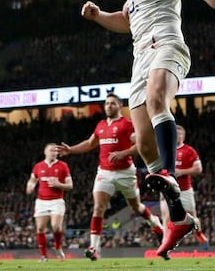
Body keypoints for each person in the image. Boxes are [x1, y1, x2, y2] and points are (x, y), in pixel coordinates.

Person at [81, 0, 215, 259]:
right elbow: (127, 22)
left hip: (168, 46)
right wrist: (100, 16)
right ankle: (177, 216)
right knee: (144, 144)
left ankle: (169, 177)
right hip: (140, 59)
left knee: (159, 98)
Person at [55, 93, 163, 261]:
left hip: (126, 173)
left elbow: (140, 144)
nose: (109, 106)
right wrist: (71, 150)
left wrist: (123, 153)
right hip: (104, 173)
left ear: (120, 106)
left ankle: (154, 222)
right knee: (98, 207)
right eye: (106, 104)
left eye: (112, 103)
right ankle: (94, 248)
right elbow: (90, 143)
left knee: (136, 207)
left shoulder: (126, 125)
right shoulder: (101, 125)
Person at [159, 125, 209, 249]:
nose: (178, 135)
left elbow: (198, 169)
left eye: (180, 134)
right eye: (175, 133)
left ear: (183, 136)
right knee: (166, 216)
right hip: (167, 189)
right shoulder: (164, 150)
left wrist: (182, 171)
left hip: (184, 190)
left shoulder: (189, 151)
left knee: (192, 216)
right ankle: (165, 243)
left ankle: (199, 233)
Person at [26, 143, 73, 263]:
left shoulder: (63, 166)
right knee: (40, 228)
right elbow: (32, 180)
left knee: (56, 227)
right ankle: (43, 256)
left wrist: (59, 185)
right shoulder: (38, 166)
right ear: (45, 152)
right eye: (51, 150)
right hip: (41, 201)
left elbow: (70, 185)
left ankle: (58, 247)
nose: (54, 152)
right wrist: (30, 186)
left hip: (57, 201)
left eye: (56, 151)